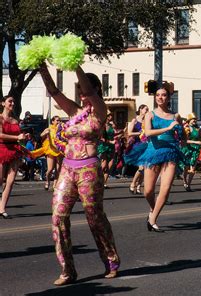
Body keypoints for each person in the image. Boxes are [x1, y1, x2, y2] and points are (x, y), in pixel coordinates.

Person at [39, 63, 120, 285]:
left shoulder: (101, 112)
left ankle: (111, 259)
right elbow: (54, 92)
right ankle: (67, 270)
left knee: (94, 217)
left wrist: (76, 66)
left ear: (95, 90)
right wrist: (41, 66)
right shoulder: (74, 111)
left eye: (85, 91)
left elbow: (92, 93)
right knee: (58, 217)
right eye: (80, 91)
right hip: (67, 168)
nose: (82, 94)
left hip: (89, 169)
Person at [130, 84, 184, 232]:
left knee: (165, 189)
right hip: (153, 152)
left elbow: (182, 134)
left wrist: (181, 139)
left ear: (168, 98)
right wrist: (167, 128)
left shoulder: (176, 116)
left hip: (171, 152)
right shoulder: (150, 115)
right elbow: (147, 133)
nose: (160, 97)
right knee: (148, 191)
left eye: (164, 95)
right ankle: (153, 209)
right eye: (158, 95)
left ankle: (152, 219)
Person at [0, 96, 29, 219]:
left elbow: (18, 137)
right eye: (10, 101)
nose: (12, 103)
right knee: (0, 180)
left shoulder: (15, 120)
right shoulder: (0, 118)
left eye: (13, 101)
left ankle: (2, 209)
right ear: (3, 103)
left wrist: (23, 137)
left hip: (15, 150)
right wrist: (17, 138)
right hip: (2, 149)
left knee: (10, 181)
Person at [31, 116, 64, 190]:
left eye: (59, 120)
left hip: (59, 150)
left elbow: (65, 137)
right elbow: (41, 135)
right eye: (57, 120)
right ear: (52, 121)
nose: (58, 122)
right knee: (50, 169)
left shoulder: (62, 129)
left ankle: (55, 185)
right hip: (50, 150)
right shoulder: (49, 128)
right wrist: (45, 133)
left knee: (58, 169)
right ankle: (47, 181)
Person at [125, 104, 149, 194]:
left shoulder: (147, 121)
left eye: (148, 109)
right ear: (140, 109)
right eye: (146, 109)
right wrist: (139, 132)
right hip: (137, 146)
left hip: (145, 145)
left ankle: (139, 186)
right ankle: (133, 184)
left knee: (146, 167)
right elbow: (129, 133)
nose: (147, 111)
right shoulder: (135, 120)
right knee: (142, 167)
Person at [181, 113, 201, 192]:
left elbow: (200, 139)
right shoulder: (186, 128)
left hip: (195, 150)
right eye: (193, 119)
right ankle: (185, 181)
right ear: (189, 120)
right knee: (186, 168)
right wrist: (195, 142)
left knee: (193, 168)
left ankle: (189, 185)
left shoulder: (198, 129)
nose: (194, 121)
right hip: (187, 149)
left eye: (195, 120)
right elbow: (184, 140)